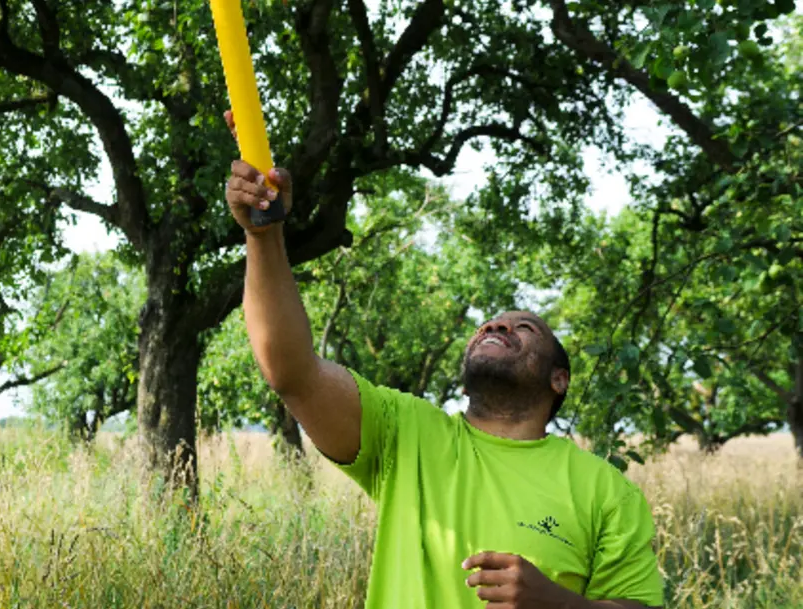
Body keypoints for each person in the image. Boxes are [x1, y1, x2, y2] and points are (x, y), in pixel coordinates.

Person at [223, 111, 664, 609]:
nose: (496, 326)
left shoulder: (603, 489)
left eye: (523, 327)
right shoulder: (406, 433)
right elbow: (291, 372)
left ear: (558, 379)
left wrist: (559, 604)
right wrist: (263, 234)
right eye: (489, 324)